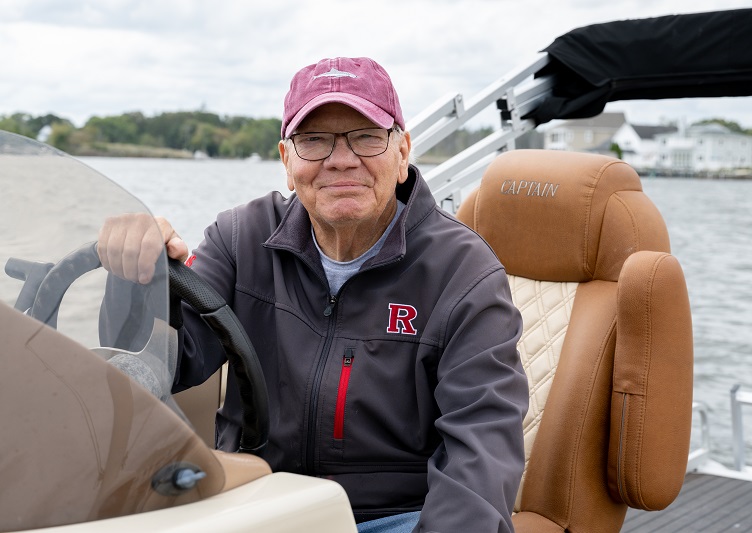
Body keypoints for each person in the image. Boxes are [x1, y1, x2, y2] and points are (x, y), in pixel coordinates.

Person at [98, 56, 528, 533]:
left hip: (393, 517)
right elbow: (166, 366)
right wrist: (135, 282)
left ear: (402, 152)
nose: (341, 159)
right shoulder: (239, 238)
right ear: (287, 161)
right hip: (253, 499)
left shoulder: (464, 273)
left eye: (366, 136)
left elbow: (481, 448)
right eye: (314, 140)